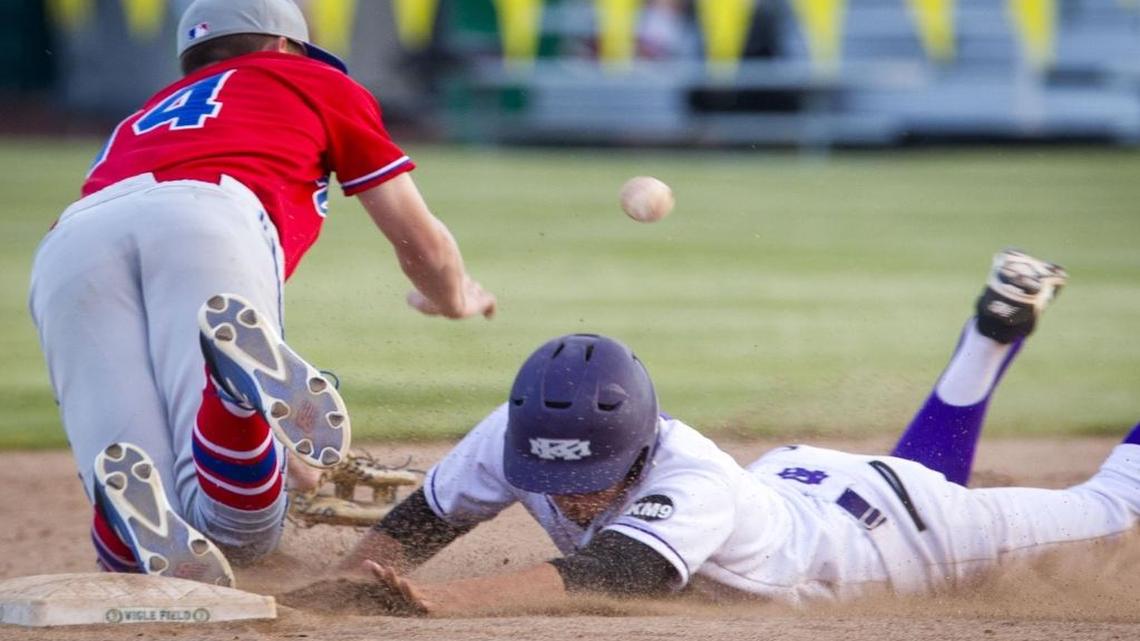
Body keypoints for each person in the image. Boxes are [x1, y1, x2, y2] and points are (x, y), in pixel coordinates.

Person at [338, 249, 1139, 614]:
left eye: (591, 477)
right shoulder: (515, 427)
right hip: (801, 485)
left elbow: (608, 574)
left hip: (897, 535)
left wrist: (438, 603)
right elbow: (419, 523)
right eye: (553, 478)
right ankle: (989, 341)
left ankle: (990, 340)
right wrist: (347, 586)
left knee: (1117, 509)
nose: (571, 499)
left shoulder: (692, 479)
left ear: (639, 449)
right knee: (929, 472)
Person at [27, 0, 496, 587]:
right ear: (283, 45)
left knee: (130, 530)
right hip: (207, 217)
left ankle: (138, 515)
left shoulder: (142, 116)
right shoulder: (313, 80)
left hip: (70, 247)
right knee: (240, 537)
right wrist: (454, 297)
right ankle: (232, 394)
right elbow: (418, 238)